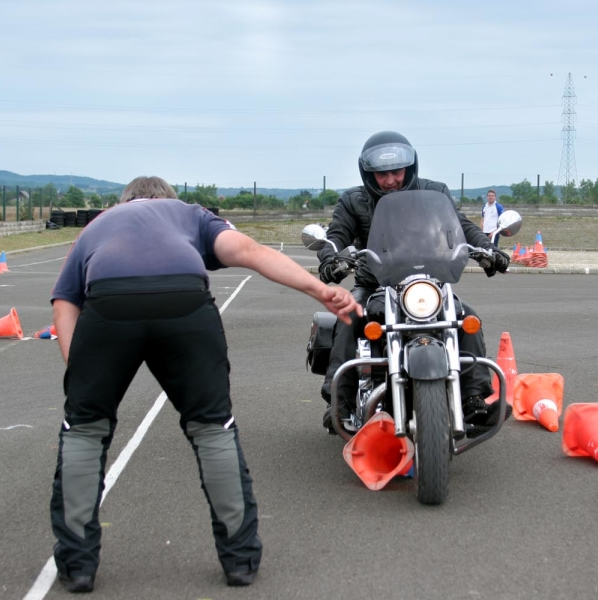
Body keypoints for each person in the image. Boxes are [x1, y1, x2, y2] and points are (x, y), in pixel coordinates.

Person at [48, 176, 362, 593]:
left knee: (85, 432)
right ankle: (240, 561)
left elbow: (65, 301)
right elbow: (250, 252)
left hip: (109, 302)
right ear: (170, 201)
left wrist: (81, 371)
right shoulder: (191, 215)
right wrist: (320, 290)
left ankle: (77, 567)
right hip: (184, 300)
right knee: (212, 428)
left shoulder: (99, 224)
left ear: (124, 202)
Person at [317, 131, 510, 435]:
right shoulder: (354, 200)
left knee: (466, 316)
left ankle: (472, 397)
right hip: (375, 284)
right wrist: (331, 256)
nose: (391, 180)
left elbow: (461, 226)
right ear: (369, 174)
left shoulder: (435, 192)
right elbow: (336, 234)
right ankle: (338, 400)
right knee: (348, 313)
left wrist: (488, 249)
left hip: (427, 281)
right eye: (382, 174)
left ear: (410, 168)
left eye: (396, 172)